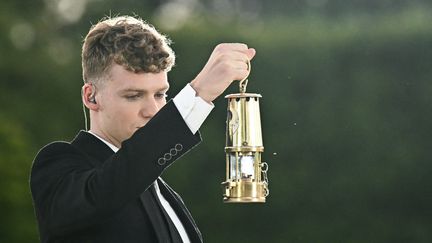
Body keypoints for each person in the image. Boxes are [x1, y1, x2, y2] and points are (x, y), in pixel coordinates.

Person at [30, 15, 255, 243]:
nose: (153, 110)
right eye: (133, 96)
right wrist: (198, 93)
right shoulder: (59, 165)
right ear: (91, 97)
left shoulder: (161, 190)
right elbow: (111, 187)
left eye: (160, 95)